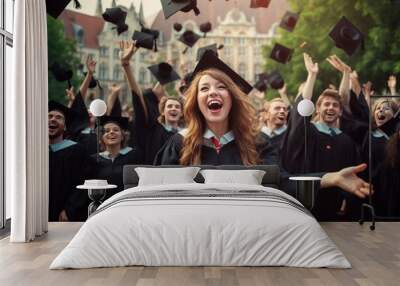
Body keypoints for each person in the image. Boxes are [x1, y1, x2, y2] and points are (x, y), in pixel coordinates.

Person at [281, 53, 362, 220]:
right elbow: (300, 114)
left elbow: (352, 172)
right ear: (317, 109)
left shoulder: (346, 140)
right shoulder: (309, 132)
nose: (330, 108)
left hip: (336, 207)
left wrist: (348, 198)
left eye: (335, 105)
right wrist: (312, 75)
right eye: (326, 104)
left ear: (340, 111)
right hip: (308, 204)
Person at [119, 40, 185, 164]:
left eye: (177, 107)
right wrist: (126, 65)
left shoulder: (186, 134)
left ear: (182, 113)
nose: (173, 108)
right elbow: (139, 98)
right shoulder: (153, 129)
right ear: (162, 112)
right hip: (154, 178)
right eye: (169, 106)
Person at [48, 101, 90, 222]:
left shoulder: (77, 151)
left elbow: (83, 182)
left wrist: (69, 209)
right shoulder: (33, 151)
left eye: (59, 117)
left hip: (64, 215)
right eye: (49, 116)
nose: (53, 119)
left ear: (65, 126)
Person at [90, 116, 143, 199]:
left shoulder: (134, 156)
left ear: (122, 136)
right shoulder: (94, 160)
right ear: (101, 138)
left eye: (116, 130)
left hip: (126, 202)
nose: (111, 132)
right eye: (106, 131)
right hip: (102, 204)